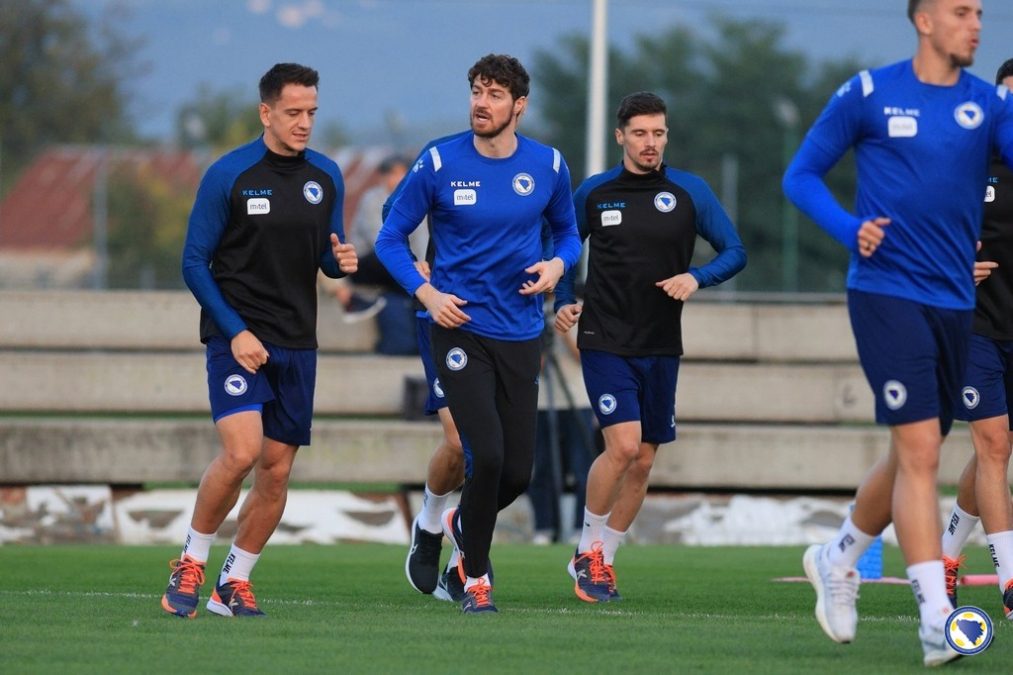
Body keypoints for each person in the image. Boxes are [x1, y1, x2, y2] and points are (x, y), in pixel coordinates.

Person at [783, 1, 1013, 665]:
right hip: (885, 293)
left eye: (979, 12)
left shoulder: (987, 104)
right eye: (961, 11)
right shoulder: (868, 93)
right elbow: (799, 177)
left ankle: (838, 556)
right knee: (919, 451)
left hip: (954, 303)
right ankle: (936, 619)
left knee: (912, 450)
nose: (976, 23)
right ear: (923, 20)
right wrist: (848, 228)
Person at [376, 53, 582, 613]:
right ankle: (474, 579)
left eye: (494, 94)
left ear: (519, 106)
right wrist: (426, 293)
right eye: (476, 91)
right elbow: (390, 237)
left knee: (516, 472)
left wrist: (557, 265)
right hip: (457, 327)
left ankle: (459, 526)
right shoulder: (440, 160)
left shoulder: (548, 164)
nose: (481, 103)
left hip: (520, 331)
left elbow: (568, 233)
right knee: (482, 454)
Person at [161, 63, 358, 618]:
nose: (304, 123)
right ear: (265, 112)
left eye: (311, 112)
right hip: (237, 337)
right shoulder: (229, 174)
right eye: (293, 112)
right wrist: (236, 331)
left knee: (275, 470)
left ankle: (234, 582)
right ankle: (191, 561)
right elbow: (194, 263)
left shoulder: (326, 175)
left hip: (298, 340)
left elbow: (326, 255)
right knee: (242, 453)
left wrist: (340, 262)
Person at [554, 91, 746, 603]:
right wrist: (563, 300)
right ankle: (587, 549)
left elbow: (735, 251)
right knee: (621, 446)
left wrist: (697, 277)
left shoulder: (689, 191)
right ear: (621, 136)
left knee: (641, 460)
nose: (650, 142)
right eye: (640, 133)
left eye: (658, 133)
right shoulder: (596, 192)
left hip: (661, 343)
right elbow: (564, 249)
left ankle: (605, 558)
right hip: (604, 339)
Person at [941, 57, 1013, 618]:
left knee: (995, 448)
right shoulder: (964, 163)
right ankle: (1011, 583)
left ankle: (944, 554)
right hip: (974, 326)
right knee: (994, 446)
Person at [331, 155, 412, 323]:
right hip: (365, 261)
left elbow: (422, 238)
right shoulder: (372, 199)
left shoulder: (412, 200)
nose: (399, 179)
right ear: (384, 177)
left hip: (399, 259)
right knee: (388, 257)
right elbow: (380, 240)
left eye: (403, 174)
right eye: (394, 174)